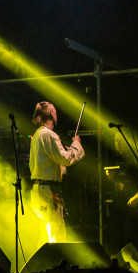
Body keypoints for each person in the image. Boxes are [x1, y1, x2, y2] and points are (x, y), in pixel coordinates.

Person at [29, 101, 84, 243]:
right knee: (56, 232)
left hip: (39, 189)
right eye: (55, 112)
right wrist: (76, 144)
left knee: (45, 233)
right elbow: (66, 159)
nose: (57, 115)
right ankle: (54, 263)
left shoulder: (38, 135)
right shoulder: (48, 135)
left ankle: (44, 263)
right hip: (48, 190)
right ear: (52, 114)